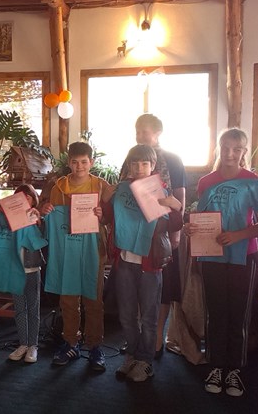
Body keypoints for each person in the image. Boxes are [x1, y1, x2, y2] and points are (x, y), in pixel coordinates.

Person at [189, 128, 258, 398]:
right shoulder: (206, 181)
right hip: (211, 255)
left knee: (238, 314)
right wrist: (192, 229)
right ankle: (215, 365)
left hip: (243, 256)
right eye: (225, 147)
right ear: (219, 148)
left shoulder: (254, 182)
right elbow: (201, 217)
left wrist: (237, 235)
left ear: (244, 152)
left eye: (236, 149)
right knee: (215, 313)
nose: (229, 153)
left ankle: (235, 369)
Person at [110, 145, 182, 382]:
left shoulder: (160, 190)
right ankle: (132, 354)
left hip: (150, 264)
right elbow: (110, 217)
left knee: (149, 316)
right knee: (126, 315)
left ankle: (145, 361)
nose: (139, 168)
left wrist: (175, 207)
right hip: (125, 261)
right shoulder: (121, 190)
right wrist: (103, 205)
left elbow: (174, 225)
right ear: (129, 166)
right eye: (135, 164)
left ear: (153, 166)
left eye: (145, 164)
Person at [39, 141, 112, 372]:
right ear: (68, 163)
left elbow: (112, 216)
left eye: (84, 162)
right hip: (67, 249)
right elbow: (49, 216)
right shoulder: (59, 187)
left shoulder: (101, 186)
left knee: (93, 298)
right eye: (75, 162)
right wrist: (46, 210)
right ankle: (70, 342)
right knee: (68, 299)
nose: (79, 166)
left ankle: (95, 345)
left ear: (92, 162)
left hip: (93, 249)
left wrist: (102, 215)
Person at [121, 114, 186, 357]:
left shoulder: (172, 159)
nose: (140, 136)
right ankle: (138, 341)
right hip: (132, 238)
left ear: (158, 133)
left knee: (161, 288)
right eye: (137, 131)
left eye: (145, 132)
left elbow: (179, 196)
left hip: (160, 234)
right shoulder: (131, 158)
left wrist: (175, 233)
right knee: (133, 292)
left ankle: (157, 336)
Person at [0, 183, 47, 364]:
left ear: (33, 200)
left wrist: (40, 221)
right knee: (20, 309)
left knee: (33, 308)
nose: (23, 200)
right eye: (19, 197)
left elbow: (45, 237)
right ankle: (23, 343)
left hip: (32, 269)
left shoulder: (36, 217)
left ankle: (33, 345)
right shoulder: (7, 220)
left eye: (27, 197)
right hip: (15, 269)